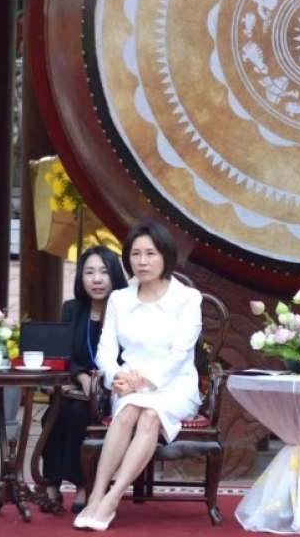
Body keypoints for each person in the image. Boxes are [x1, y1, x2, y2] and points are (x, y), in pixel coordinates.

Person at [74, 222, 202, 532]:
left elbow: (180, 354)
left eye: (150, 254)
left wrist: (143, 381)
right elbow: (105, 352)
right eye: (135, 254)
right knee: (131, 408)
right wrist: (119, 377)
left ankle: (111, 500)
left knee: (150, 415)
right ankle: (96, 495)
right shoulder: (120, 298)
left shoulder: (188, 299)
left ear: (165, 257)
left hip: (175, 384)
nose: (142, 262)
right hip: (128, 381)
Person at [40, 245, 126, 514]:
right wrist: (80, 376)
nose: (97, 279)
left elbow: (127, 355)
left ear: (114, 277)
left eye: (103, 272)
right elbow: (63, 353)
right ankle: (51, 482)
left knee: (78, 413)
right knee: (53, 412)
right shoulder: (72, 309)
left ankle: (82, 485)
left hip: (113, 391)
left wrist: (97, 382)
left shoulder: (123, 309)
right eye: (89, 272)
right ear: (81, 277)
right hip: (76, 388)